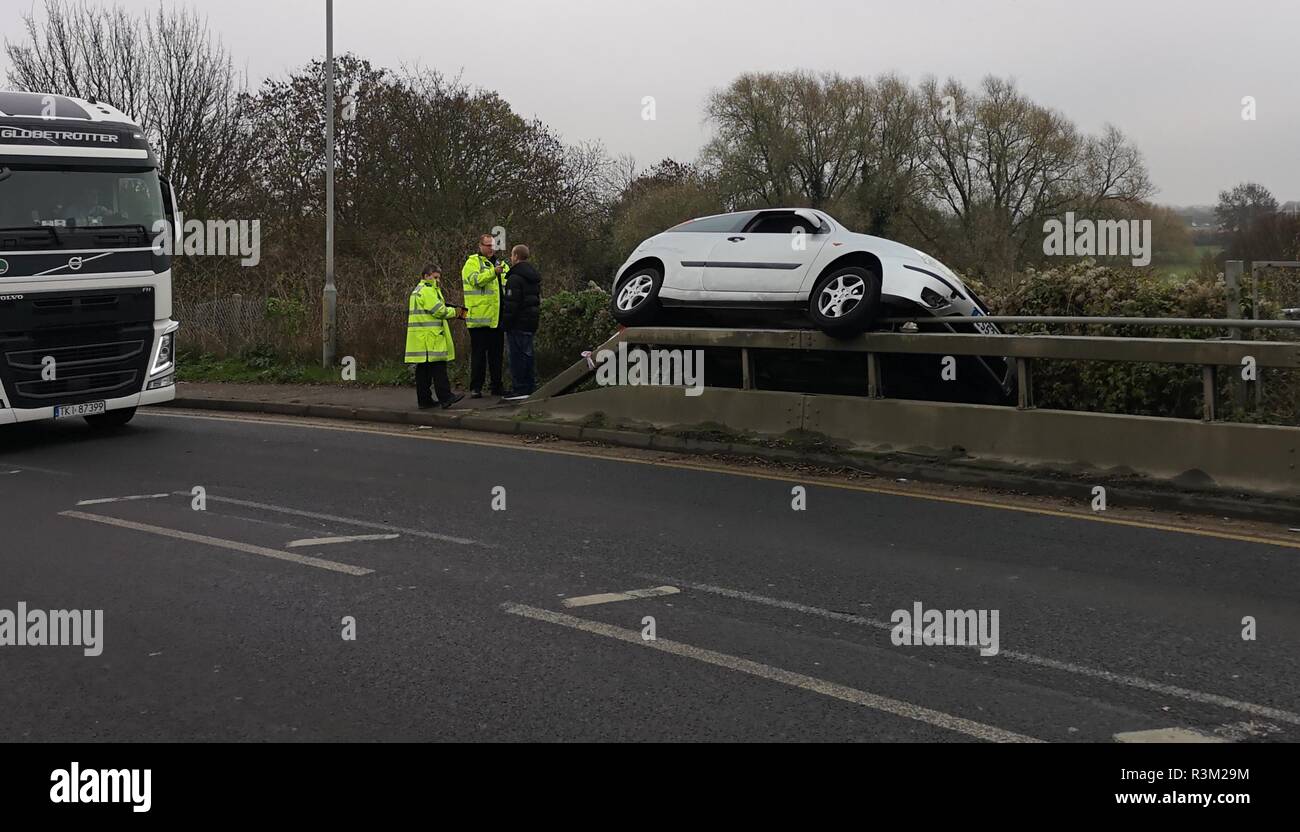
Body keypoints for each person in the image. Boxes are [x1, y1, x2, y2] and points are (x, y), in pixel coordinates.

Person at [406, 264, 466, 410]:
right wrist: (456, 312)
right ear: (426, 276)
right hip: (430, 338)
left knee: (423, 372)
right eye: (435, 277)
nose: (438, 281)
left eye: (438, 278)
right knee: (439, 369)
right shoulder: (427, 290)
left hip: (421, 338)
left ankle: (425, 401)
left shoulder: (417, 290)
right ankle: (446, 397)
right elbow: (439, 311)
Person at [462, 233, 507, 398]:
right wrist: (493, 272)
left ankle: (497, 386)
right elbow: (476, 280)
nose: (491, 248)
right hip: (479, 320)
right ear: (480, 246)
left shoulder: (500, 263)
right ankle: (476, 388)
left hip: (497, 319)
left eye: (493, 245)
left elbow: (507, 283)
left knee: (497, 356)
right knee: (479, 356)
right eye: (488, 245)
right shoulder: (472, 262)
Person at [500, 244, 541, 402]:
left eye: (512, 255)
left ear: (516, 256)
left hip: (517, 324)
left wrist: (505, 323)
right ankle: (529, 386)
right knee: (528, 355)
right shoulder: (533, 278)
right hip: (530, 322)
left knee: (517, 357)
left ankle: (519, 388)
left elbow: (511, 305)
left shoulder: (514, 278)